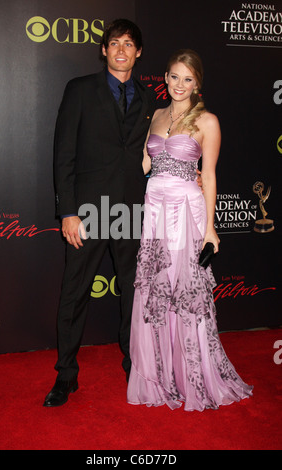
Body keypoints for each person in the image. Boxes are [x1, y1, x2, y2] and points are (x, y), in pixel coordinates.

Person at [127, 49, 253, 411]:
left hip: (185, 211)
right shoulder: (156, 115)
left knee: (184, 293)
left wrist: (211, 229)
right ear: (164, 78)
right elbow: (147, 163)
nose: (179, 84)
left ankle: (193, 376)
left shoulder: (207, 121)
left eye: (187, 78)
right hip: (154, 210)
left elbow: (209, 175)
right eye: (173, 76)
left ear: (197, 83)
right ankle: (161, 374)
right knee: (156, 290)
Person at [43, 19, 157, 407]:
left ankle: (135, 364)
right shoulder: (79, 90)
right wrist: (68, 212)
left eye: (129, 44)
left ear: (138, 52)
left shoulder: (147, 98)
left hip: (131, 212)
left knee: (135, 295)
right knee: (74, 293)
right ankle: (66, 376)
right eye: (114, 43)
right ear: (104, 50)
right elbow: (64, 156)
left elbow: (147, 157)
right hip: (88, 211)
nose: (121, 49)